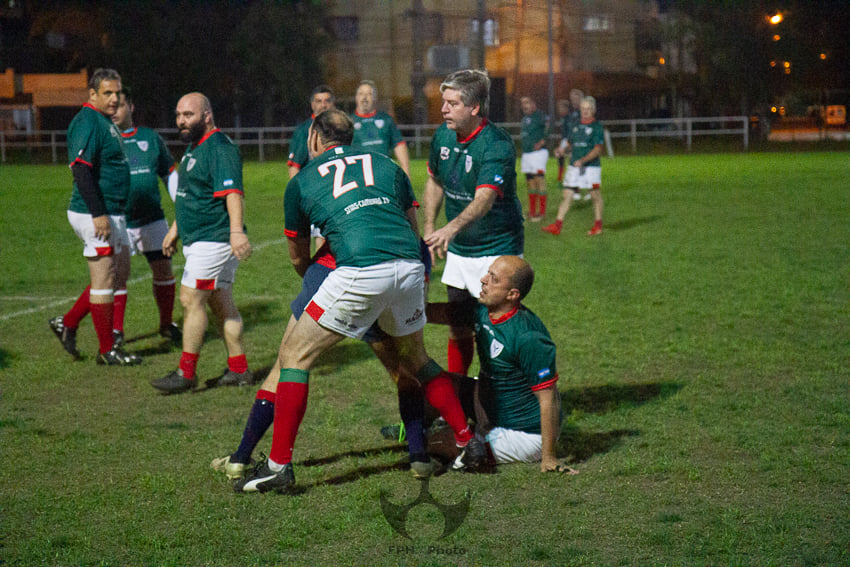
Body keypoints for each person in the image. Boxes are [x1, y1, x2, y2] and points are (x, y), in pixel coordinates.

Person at [235, 110, 483, 493]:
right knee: (417, 360)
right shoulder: (387, 166)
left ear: (314, 138)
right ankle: (468, 442)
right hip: (409, 267)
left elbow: (299, 257)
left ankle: (278, 466)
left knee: (294, 357)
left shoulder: (302, 180)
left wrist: (318, 285)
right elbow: (411, 230)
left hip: (358, 269)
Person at [427, 256, 576, 473]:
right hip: (488, 406)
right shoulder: (482, 310)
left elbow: (548, 398)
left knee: (437, 442)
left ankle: (470, 447)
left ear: (512, 294)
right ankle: (446, 433)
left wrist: (549, 457)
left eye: (493, 279)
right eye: (488, 273)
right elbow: (436, 312)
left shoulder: (528, 337)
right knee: (430, 381)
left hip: (524, 433)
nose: (483, 280)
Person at [422, 69, 524, 379]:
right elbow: (434, 181)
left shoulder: (496, 144)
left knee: (494, 328)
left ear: (475, 107)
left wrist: (450, 229)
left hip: (497, 248)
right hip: (461, 249)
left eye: (452, 103)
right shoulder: (442, 136)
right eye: (444, 102)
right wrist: (430, 228)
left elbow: (484, 199)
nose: (444, 109)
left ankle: (499, 393)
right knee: (458, 323)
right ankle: (460, 389)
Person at [151, 92, 253, 393]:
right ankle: (239, 369)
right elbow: (190, 197)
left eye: (189, 115)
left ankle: (186, 373)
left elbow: (232, 193)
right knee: (222, 304)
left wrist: (236, 232)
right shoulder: (195, 147)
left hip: (213, 240)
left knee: (190, 299)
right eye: (178, 115)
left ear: (206, 116)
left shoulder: (219, 148)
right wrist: (175, 230)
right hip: (201, 239)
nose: (181, 121)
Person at [48, 68, 141, 366]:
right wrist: (98, 214)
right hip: (95, 213)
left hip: (113, 211)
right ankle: (107, 350)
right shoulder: (88, 120)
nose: (114, 98)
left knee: (119, 272)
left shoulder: (104, 121)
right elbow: (80, 168)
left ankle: (68, 322)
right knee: (104, 278)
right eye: (107, 93)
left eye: (117, 92)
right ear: (92, 94)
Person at [111, 89, 181, 347]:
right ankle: (116, 331)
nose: (114, 111)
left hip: (152, 218)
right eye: (111, 107)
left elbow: (168, 173)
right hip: (119, 220)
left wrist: (180, 203)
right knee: (117, 275)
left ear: (131, 107)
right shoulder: (106, 140)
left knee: (163, 270)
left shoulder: (150, 137)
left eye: (119, 106)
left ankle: (166, 324)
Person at [543, 96, 604, 236]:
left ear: (593, 110)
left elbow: (597, 149)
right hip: (574, 166)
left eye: (588, 109)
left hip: (591, 167)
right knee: (567, 194)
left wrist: (583, 160)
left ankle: (598, 226)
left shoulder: (596, 127)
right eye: (583, 109)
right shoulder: (575, 125)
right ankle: (557, 226)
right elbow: (570, 142)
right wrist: (561, 150)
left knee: (595, 195)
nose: (585, 111)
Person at [350, 80, 411, 177]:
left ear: (375, 98)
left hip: (383, 173)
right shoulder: (348, 122)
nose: (364, 97)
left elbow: (399, 144)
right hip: (359, 174)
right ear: (356, 97)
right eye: (361, 94)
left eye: (369, 94)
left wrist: (406, 171)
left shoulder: (386, 119)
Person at [287, 85, 335, 180]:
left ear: (333, 103)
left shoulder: (341, 127)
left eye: (327, 101)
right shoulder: (304, 130)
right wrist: (296, 188)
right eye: (319, 101)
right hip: (314, 184)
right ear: (312, 105)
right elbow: (294, 167)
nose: (323, 105)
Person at [519, 96, 549, 222]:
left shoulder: (539, 115)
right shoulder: (525, 118)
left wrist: (543, 141)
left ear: (533, 104)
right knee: (530, 181)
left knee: (539, 180)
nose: (524, 105)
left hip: (538, 154)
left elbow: (548, 126)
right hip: (527, 154)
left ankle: (541, 213)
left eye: (527, 102)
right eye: (522, 103)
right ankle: (532, 211)